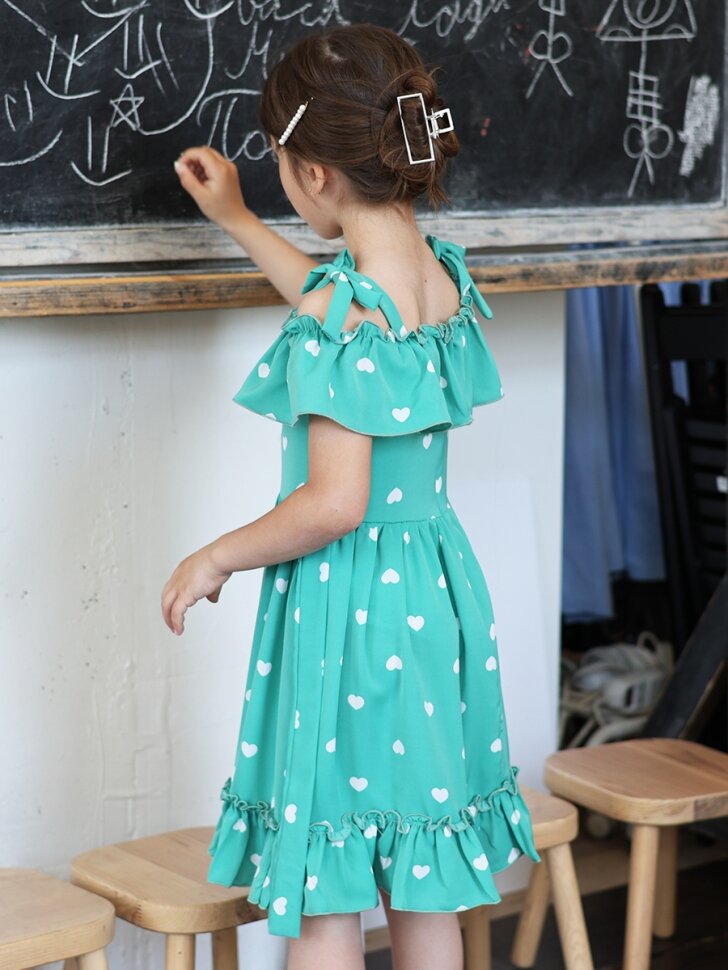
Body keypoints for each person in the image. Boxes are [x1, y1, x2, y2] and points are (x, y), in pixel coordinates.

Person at [161, 23, 541, 970]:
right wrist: (240, 219)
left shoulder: (350, 315)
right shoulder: (431, 276)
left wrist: (214, 556)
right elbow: (333, 300)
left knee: (327, 882)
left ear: (317, 175)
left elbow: (334, 504)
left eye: (280, 171)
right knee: (419, 869)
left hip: (352, 610)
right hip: (431, 603)